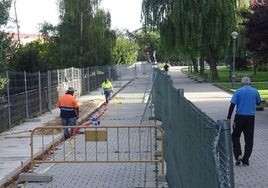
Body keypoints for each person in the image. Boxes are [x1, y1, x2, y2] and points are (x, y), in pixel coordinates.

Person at [227, 77, 261, 166]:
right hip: (250, 118)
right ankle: (246, 160)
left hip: (239, 118)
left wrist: (229, 117)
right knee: (249, 139)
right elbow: (258, 102)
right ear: (250, 83)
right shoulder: (255, 91)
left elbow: (232, 105)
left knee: (235, 136)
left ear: (241, 83)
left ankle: (238, 156)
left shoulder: (238, 91)